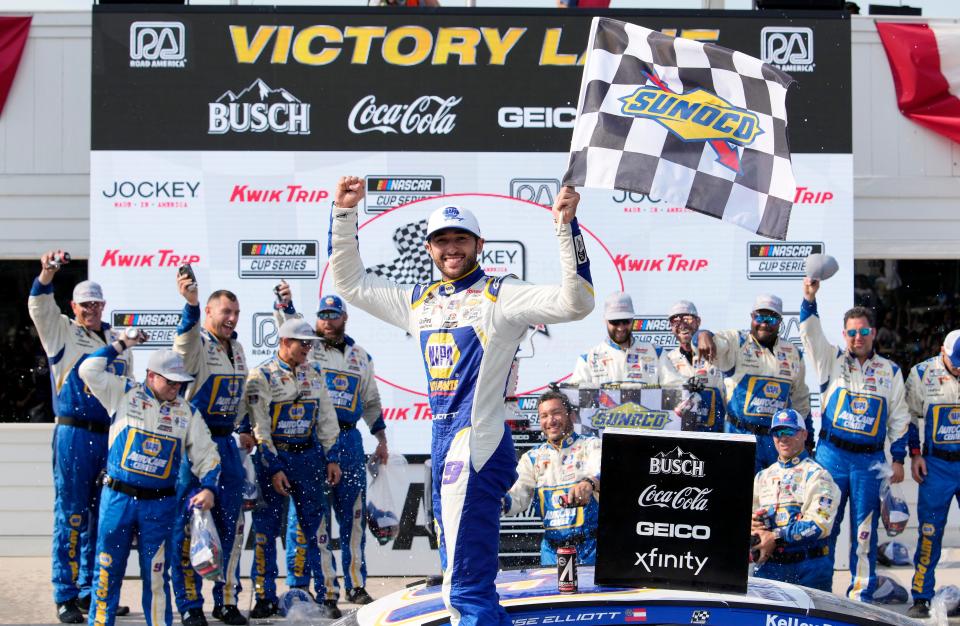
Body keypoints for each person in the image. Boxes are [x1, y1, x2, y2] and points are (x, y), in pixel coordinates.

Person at [328, 175, 594, 626]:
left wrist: (567, 229)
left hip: (479, 439)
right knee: (458, 574)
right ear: (429, 248)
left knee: (464, 585)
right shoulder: (420, 301)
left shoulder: (501, 294)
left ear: (479, 244)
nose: (451, 248)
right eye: (441, 240)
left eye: (461, 239)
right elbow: (351, 284)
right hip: (444, 438)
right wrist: (344, 214)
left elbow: (577, 302)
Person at [77, 337, 220, 626]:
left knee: (156, 578)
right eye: (170, 381)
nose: (176, 387)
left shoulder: (187, 412)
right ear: (151, 376)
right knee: (106, 572)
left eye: (180, 382)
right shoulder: (123, 391)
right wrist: (120, 344)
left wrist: (208, 487)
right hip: (118, 499)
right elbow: (88, 370)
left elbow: (208, 454)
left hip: (159, 504)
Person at [27, 249, 134, 623]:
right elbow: (39, 306)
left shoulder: (118, 339)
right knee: (72, 515)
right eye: (84, 304)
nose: (91, 310)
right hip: (73, 433)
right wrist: (46, 274)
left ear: (104, 305)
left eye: (96, 303)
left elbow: (124, 389)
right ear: (73, 306)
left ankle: (93, 591)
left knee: (102, 516)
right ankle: (66, 593)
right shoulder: (61, 331)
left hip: (109, 435)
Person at [273, 286, 388, 609]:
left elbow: (371, 402)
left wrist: (381, 439)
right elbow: (288, 324)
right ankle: (300, 584)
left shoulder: (361, 356)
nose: (326, 320)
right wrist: (285, 303)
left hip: (349, 440)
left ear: (344, 318)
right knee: (307, 514)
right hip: (313, 440)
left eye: (331, 315)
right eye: (321, 315)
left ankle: (355, 583)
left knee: (353, 516)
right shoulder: (310, 351)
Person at [799, 277, 909, 602]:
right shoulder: (829, 359)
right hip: (831, 456)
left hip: (869, 463)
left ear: (873, 333)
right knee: (824, 527)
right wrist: (809, 299)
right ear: (844, 333)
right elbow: (809, 332)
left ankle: (861, 598)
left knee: (864, 534)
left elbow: (900, 417)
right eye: (851, 332)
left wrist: (899, 458)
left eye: (863, 331)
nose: (857, 337)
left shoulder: (890, 371)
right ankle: (817, 595)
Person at [244, 319, 344, 619]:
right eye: (303, 343)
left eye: (310, 343)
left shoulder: (315, 372)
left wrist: (332, 457)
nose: (308, 348)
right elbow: (259, 426)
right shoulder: (261, 375)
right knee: (265, 532)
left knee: (319, 531)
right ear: (285, 341)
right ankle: (264, 596)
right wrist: (273, 467)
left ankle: (328, 595)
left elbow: (326, 417)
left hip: (309, 458)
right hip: (274, 458)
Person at [170, 273, 249, 626]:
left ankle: (226, 600)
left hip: (227, 446)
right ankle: (189, 605)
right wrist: (190, 305)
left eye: (236, 312)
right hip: (195, 447)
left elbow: (242, 397)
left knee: (230, 527)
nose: (231, 318)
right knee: (188, 527)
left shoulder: (239, 347)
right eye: (225, 312)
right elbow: (183, 344)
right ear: (209, 313)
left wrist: (246, 429)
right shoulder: (197, 343)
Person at [697, 294, 811, 472]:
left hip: (778, 440)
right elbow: (713, 342)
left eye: (771, 318)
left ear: (780, 321)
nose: (764, 323)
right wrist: (703, 334)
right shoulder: (737, 342)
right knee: (740, 495)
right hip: (740, 435)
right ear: (752, 317)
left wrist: (807, 439)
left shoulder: (793, 352)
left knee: (776, 495)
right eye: (760, 317)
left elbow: (800, 401)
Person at [899, 330, 960, 618]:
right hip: (936, 465)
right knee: (929, 532)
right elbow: (909, 416)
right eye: (956, 361)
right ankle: (921, 596)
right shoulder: (922, 373)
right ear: (942, 352)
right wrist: (915, 455)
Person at [502, 390, 600, 565]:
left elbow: (602, 470)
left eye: (556, 413)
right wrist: (496, 501)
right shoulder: (532, 458)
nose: (551, 421)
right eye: (544, 416)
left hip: (591, 548)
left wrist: (589, 483)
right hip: (551, 552)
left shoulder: (590, 445)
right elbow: (517, 498)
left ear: (571, 415)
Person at [752, 409, 840, 591]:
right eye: (777, 433)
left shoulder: (818, 475)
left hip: (809, 568)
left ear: (804, 434)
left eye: (789, 431)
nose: (783, 438)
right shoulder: (762, 476)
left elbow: (819, 525)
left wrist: (775, 536)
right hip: (770, 568)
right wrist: (753, 526)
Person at [658, 300, 724, 432]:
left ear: (698, 322)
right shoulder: (667, 359)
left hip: (714, 434)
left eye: (687, 319)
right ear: (671, 326)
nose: (682, 324)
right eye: (675, 321)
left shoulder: (717, 353)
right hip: (680, 433)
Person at [568, 292, 659, 386]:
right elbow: (574, 395)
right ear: (605, 320)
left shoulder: (656, 353)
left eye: (625, 321)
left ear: (633, 319)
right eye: (615, 322)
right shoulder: (587, 358)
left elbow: (673, 389)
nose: (621, 327)